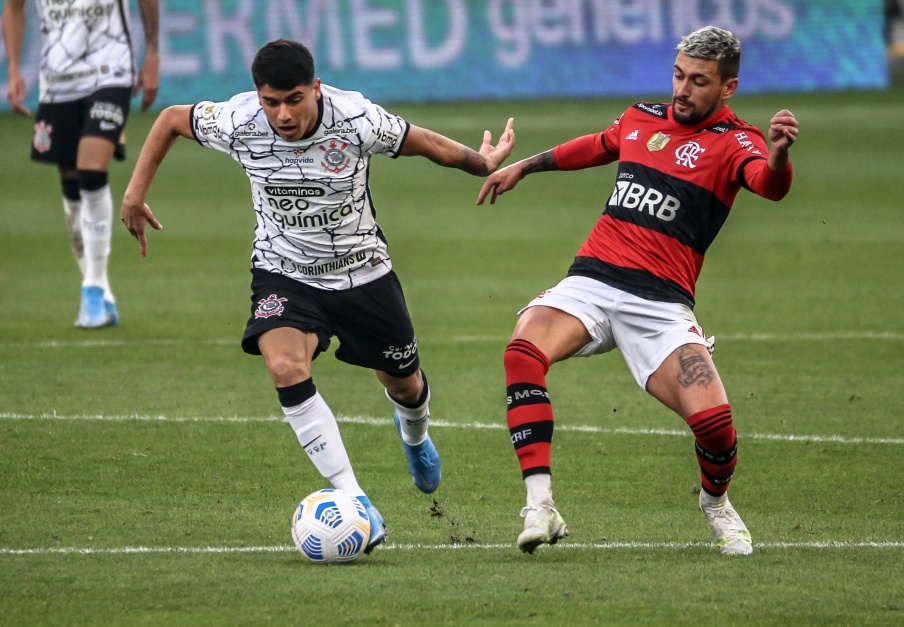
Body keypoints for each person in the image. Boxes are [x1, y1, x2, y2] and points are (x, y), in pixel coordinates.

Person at [121, 39, 515, 554]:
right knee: (284, 366)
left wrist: (479, 164)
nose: (282, 114)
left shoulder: (356, 119)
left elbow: (421, 142)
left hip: (363, 272)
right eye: (271, 101)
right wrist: (134, 193)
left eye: (293, 99)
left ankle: (414, 434)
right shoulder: (239, 120)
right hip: (284, 273)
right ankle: (355, 500)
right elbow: (172, 117)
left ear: (316, 89)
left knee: (406, 386)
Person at [478, 26, 798, 556]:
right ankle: (541, 505)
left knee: (716, 427)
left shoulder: (736, 142)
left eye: (698, 81)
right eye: (678, 75)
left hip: (661, 307)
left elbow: (769, 183)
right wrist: (525, 166)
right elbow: (597, 147)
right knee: (522, 353)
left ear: (728, 88)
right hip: (591, 282)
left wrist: (782, 155)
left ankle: (715, 502)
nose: (682, 89)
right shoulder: (641, 118)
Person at [2, 0, 160, 328]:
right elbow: (14, 7)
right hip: (58, 81)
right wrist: (14, 67)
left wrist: (153, 55)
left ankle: (92, 289)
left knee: (91, 171)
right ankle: (101, 293)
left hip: (110, 72)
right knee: (72, 187)